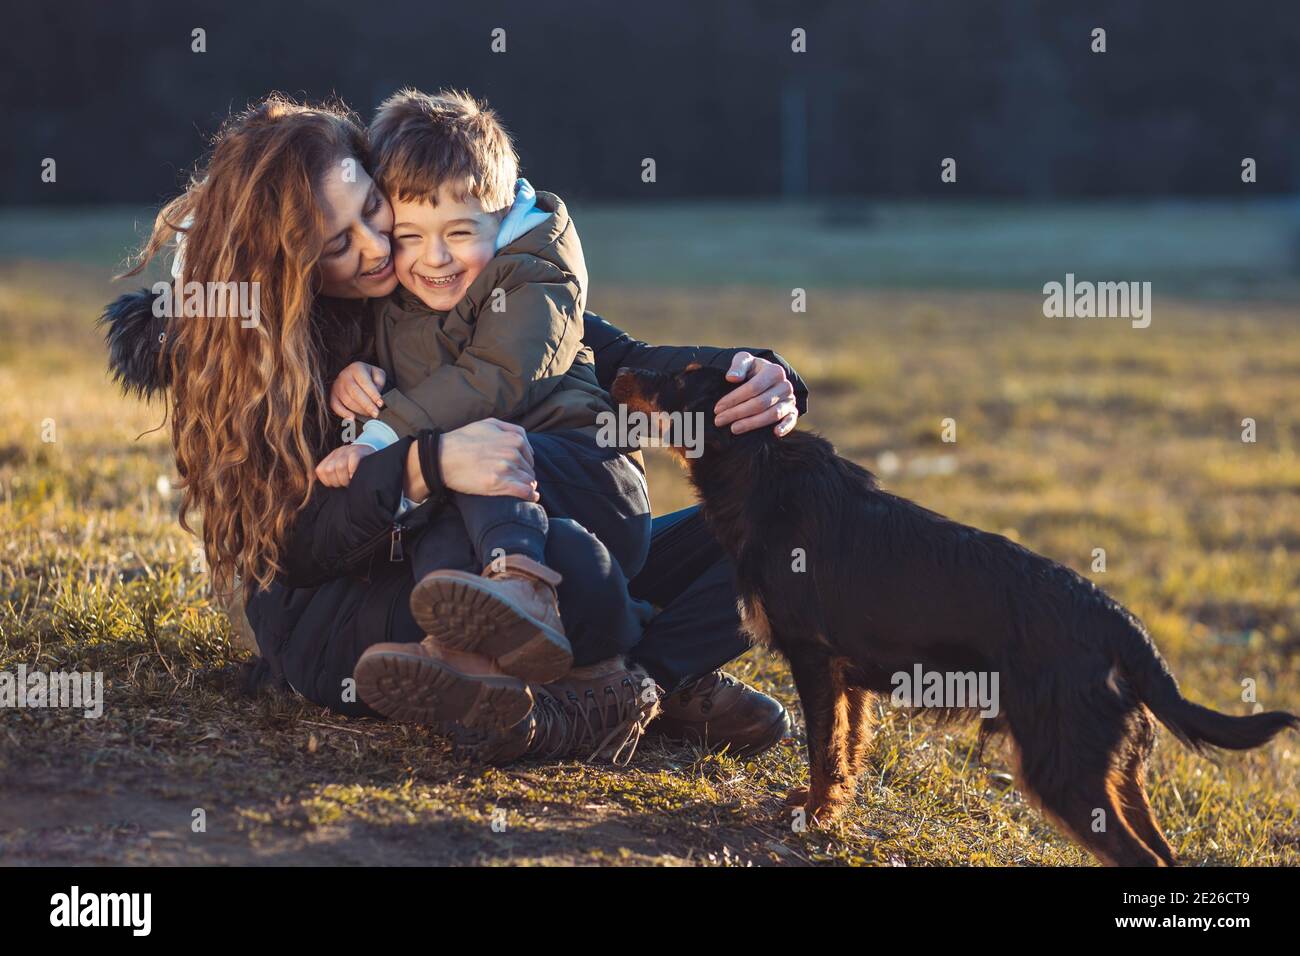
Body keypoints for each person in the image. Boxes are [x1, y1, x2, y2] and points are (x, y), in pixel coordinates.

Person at [101, 94, 807, 763]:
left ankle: (633, 688)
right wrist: (426, 464)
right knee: (571, 556)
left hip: (503, 527)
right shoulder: (255, 352)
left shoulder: (428, 265)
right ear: (290, 264)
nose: (377, 248)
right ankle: (597, 669)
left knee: (782, 525)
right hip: (350, 610)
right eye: (337, 244)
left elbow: (592, 353)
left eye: (373, 209)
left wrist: (751, 376)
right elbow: (298, 547)